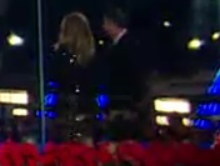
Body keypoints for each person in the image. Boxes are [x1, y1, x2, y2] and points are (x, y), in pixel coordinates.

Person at [99, 7, 150, 139]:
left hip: (125, 105)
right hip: (119, 103)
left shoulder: (128, 45)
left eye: (105, 23)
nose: (104, 27)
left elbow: (134, 74)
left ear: (113, 23)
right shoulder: (117, 45)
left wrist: (134, 103)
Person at [49, 11, 99, 142]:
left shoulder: (59, 55)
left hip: (64, 110)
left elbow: (54, 79)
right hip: (88, 109)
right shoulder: (94, 56)